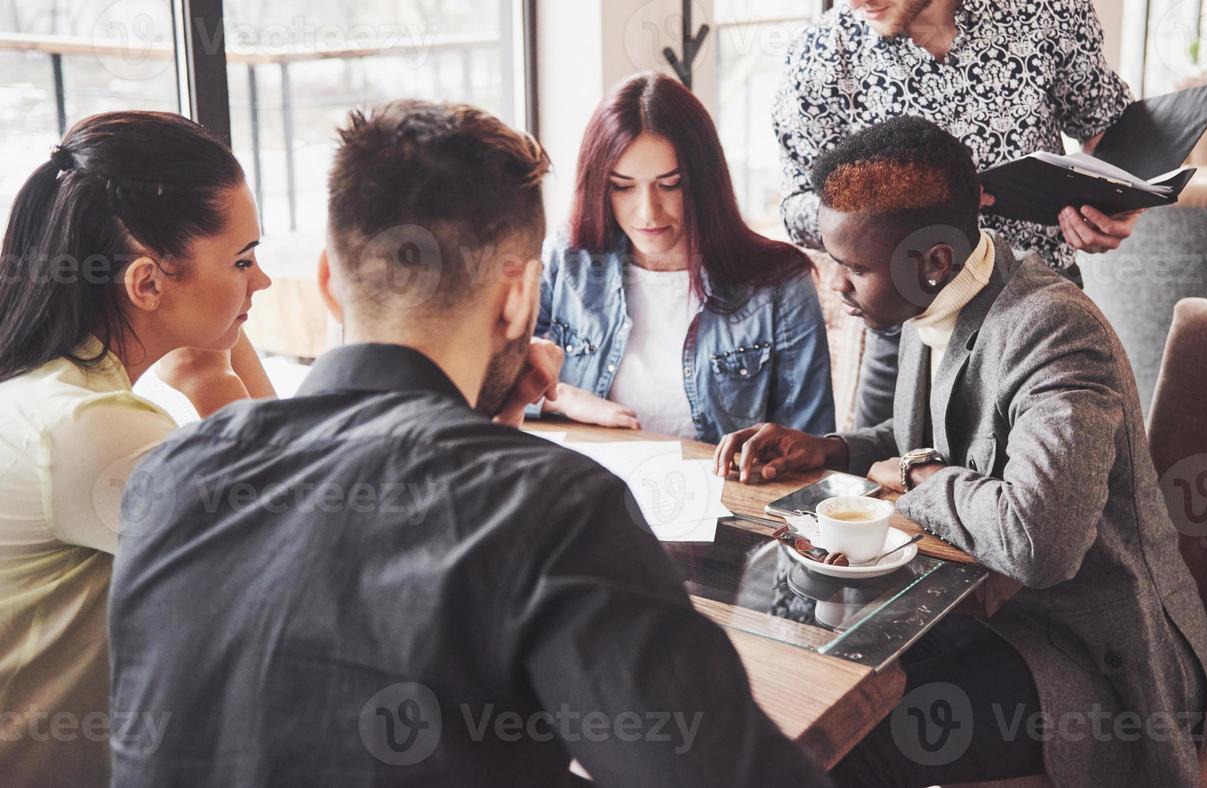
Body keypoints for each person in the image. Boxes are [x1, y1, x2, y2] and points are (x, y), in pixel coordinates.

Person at [107, 100, 832, 787]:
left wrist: (496, 437)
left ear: (329, 282)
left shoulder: (171, 473)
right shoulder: (556, 511)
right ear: (519, 297)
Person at [714, 117, 1207, 786]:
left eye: (851, 268)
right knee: (799, 682)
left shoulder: (1051, 331)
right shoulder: (925, 295)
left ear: (932, 262)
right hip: (983, 613)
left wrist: (912, 474)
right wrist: (829, 449)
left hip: (1094, 660)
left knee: (846, 740)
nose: (835, 286)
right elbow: (926, 440)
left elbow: (1038, 541)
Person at [774, 0, 1140, 427]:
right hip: (904, 326)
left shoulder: (1047, 3)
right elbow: (794, 200)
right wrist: (886, 217)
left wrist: (1114, 201)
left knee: (1040, 504)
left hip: (1037, 312)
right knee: (877, 494)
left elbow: (1108, 127)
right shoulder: (821, 55)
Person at [0, 111, 275, 786]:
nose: (262, 281)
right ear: (146, 284)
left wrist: (221, 325)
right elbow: (296, 557)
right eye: (243, 260)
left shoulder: (46, 385)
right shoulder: (93, 429)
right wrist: (216, 386)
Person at [534, 71, 835, 441]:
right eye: (623, 187)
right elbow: (492, 380)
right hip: (590, 487)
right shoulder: (569, 259)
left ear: (703, 182)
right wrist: (561, 398)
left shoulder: (779, 283)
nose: (648, 212)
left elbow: (810, 446)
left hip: (723, 495)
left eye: (670, 184)